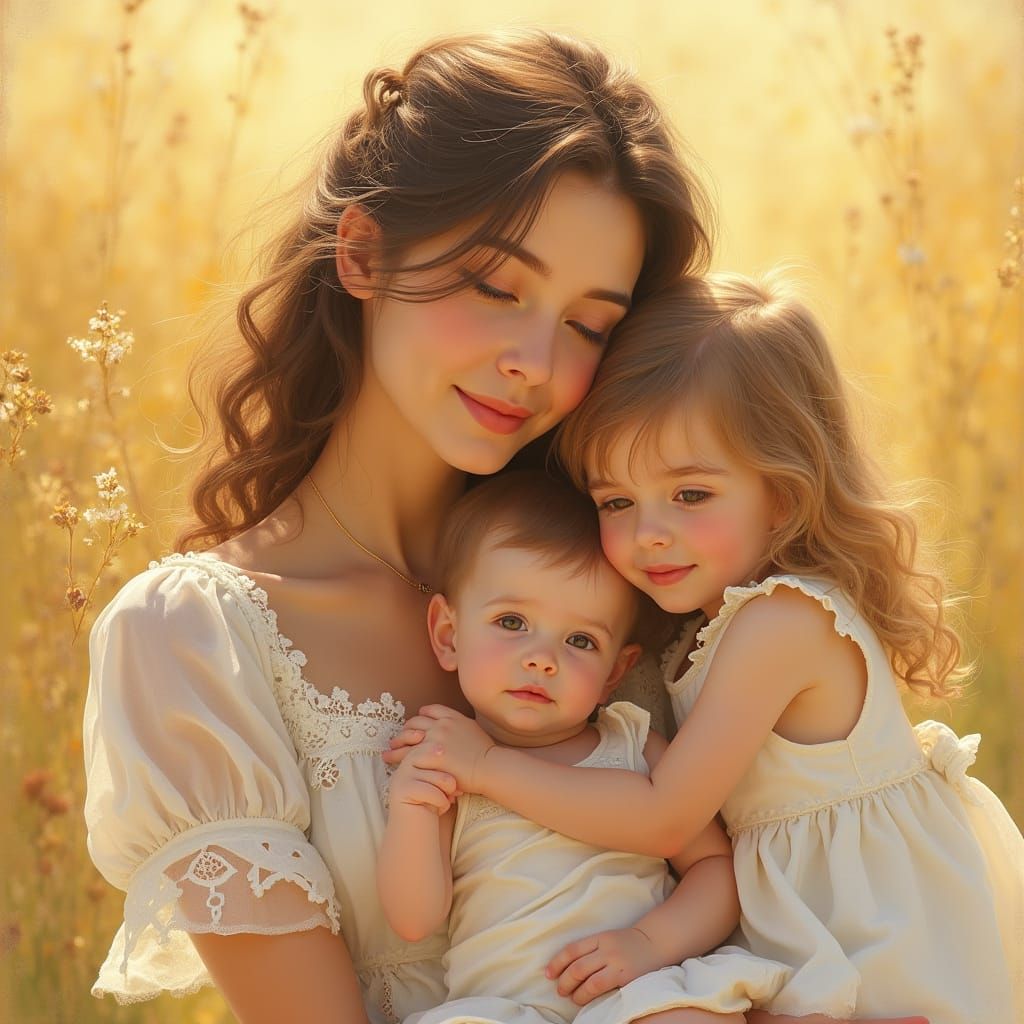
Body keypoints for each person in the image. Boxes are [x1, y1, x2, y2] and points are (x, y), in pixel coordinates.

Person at [82, 28, 715, 1024]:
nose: (536, 361)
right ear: (364, 252)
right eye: (498, 287)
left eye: (588, 324)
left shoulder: (630, 569)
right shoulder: (194, 641)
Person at [387, 272, 1024, 1023]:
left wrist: (486, 765)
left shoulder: (782, 623)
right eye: (617, 502)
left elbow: (664, 815)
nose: (649, 533)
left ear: (783, 492)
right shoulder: (711, 620)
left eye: (690, 495)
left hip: (870, 936)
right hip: (796, 932)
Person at [379, 470, 791, 1024]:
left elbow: (715, 870)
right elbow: (415, 920)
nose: (541, 658)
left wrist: (649, 942)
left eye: (580, 641)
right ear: (449, 636)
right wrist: (410, 808)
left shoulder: (634, 746)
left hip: (637, 997)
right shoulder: (445, 763)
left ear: (614, 672)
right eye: (512, 621)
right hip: (503, 1009)